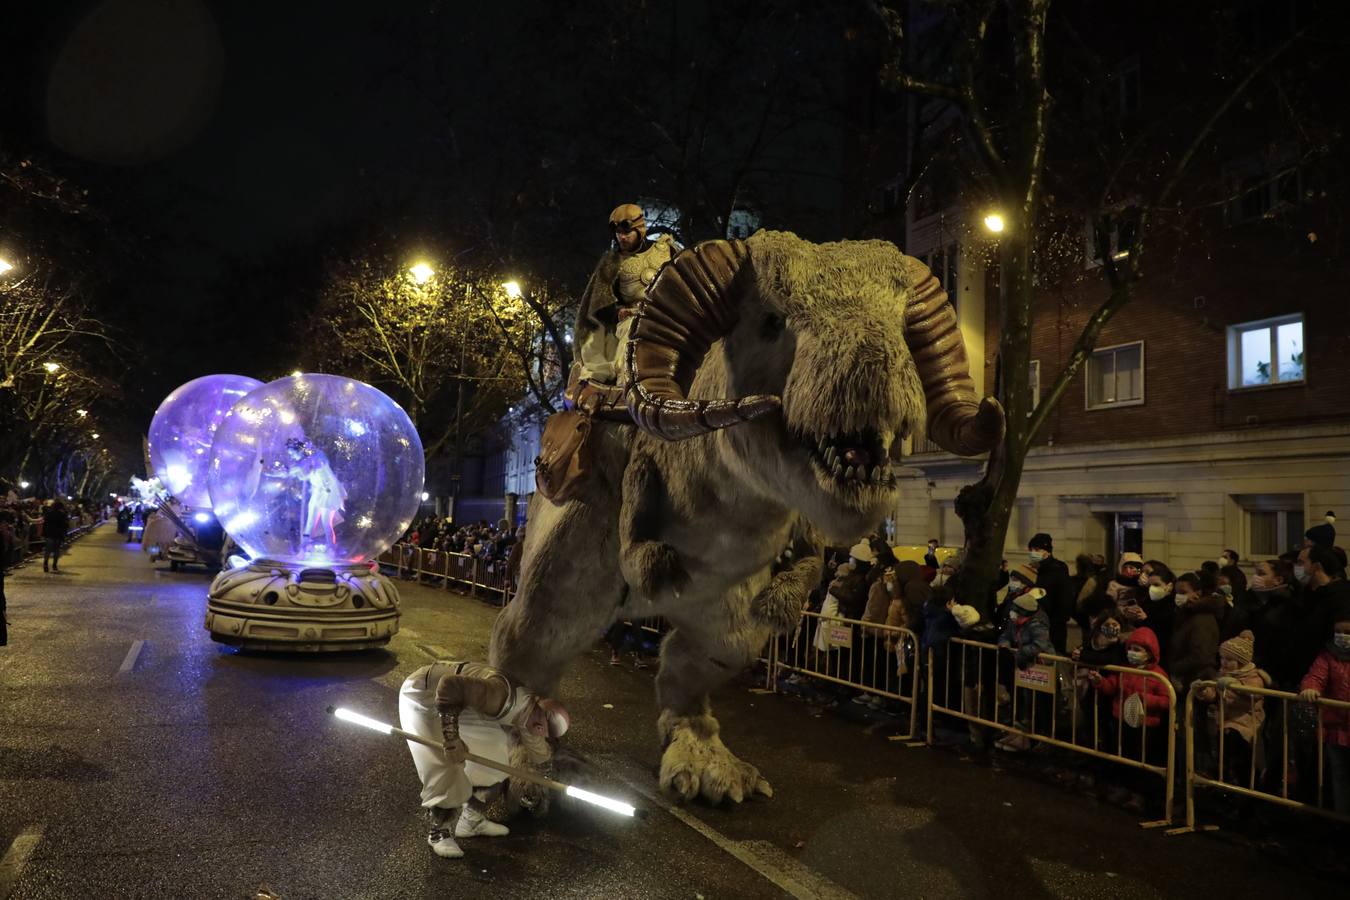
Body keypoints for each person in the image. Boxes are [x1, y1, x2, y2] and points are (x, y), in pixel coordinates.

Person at [398, 659, 569, 859]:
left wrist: (545, 779)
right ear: (540, 726)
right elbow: (448, 686)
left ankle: (471, 821)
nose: (542, 735)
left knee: (497, 757)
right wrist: (452, 739)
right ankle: (438, 832)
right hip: (425, 696)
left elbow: (539, 752)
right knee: (446, 766)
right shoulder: (500, 697)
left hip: (463, 704)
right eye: (545, 732)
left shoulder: (532, 713)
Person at [571, 204, 680, 394]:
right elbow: (599, 302)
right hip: (633, 319)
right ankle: (626, 391)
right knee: (628, 350)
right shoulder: (612, 263)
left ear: (640, 229)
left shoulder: (667, 250)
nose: (621, 237)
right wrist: (617, 311)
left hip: (671, 315)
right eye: (618, 233)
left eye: (626, 232)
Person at [1089, 627, 1171, 773]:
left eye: (1137, 649)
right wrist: (1100, 682)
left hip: (1144, 724)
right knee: (1122, 755)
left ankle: (1136, 786)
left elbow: (1167, 701)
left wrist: (1145, 699)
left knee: (1140, 758)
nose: (1132, 652)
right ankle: (1121, 783)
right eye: (1130, 648)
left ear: (1149, 653)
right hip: (1121, 720)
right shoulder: (1124, 669)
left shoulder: (1158, 675)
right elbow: (1112, 687)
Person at [1196, 630, 1269, 787]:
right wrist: (1203, 690)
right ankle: (1225, 782)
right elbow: (1215, 694)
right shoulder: (1223, 674)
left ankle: (1247, 788)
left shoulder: (1254, 677)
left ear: (1241, 662)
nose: (1223, 662)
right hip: (1226, 721)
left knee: (1240, 757)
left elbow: (1254, 693)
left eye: (1229, 659)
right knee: (1226, 753)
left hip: (1245, 723)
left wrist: (1235, 685)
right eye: (1222, 658)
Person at [1298, 615, 1350, 814]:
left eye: (1348, 632)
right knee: (1340, 774)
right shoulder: (1328, 655)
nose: (1342, 636)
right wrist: (1310, 688)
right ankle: (1342, 818)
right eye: (1339, 632)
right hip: (1336, 727)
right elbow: (1315, 676)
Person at [995, 582, 1052, 752]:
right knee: (1024, 701)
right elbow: (1005, 634)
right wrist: (1004, 643)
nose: (1012, 613)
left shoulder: (1037, 625)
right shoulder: (1016, 623)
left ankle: (1041, 738)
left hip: (1040, 668)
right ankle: (1022, 734)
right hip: (1025, 667)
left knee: (1039, 704)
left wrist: (1018, 652)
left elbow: (1039, 645)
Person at [1169, 572, 1223, 697]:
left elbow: (1201, 655)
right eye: (1176, 592)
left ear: (1197, 593)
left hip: (1197, 680)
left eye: (1183, 592)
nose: (1178, 596)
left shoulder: (1202, 618)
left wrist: (1174, 668)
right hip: (1187, 678)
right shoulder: (1185, 614)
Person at [1027, 532, 1074, 654]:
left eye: (1037, 549)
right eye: (1031, 549)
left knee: (1053, 659)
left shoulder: (1058, 570)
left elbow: (1065, 599)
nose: (1033, 552)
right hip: (1034, 623)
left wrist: (1055, 620)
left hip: (1053, 625)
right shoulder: (1034, 570)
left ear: (1047, 551)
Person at [41, 500, 69, 573]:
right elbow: (64, 525)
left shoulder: (48, 513)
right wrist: (64, 534)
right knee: (56, 550)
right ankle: (54, 565)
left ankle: (45, 564)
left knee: (48, 550)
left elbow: (45, 524)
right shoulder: (62, 514)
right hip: (58, 534)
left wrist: (43, 533)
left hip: (49, 534)